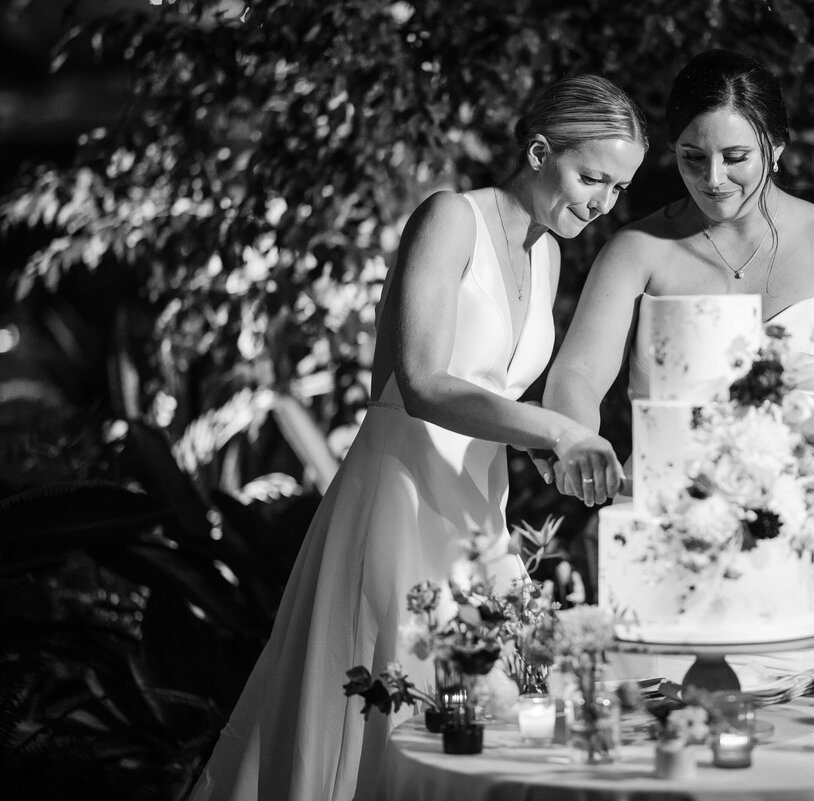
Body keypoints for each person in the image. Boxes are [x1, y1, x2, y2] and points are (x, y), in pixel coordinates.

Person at [188, 75, 647, 801]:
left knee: (476, 713)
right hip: (399, 494)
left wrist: (543, 445)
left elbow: (492, 392)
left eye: (618, 188)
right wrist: (555, 430)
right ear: (537, 151)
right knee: (383, 703)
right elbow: (424, 379)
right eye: (592, 177)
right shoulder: (450, 218)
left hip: (474, 509)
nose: (602, 202)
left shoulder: (548, 251)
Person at [542, 50, 814, 682]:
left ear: (775, 146)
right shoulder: (638, 250)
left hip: (802, 533)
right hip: (671, 533)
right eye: (693, 157)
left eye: (735, 156)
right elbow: (577, 373)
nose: (713, 177)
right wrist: (580, 439)